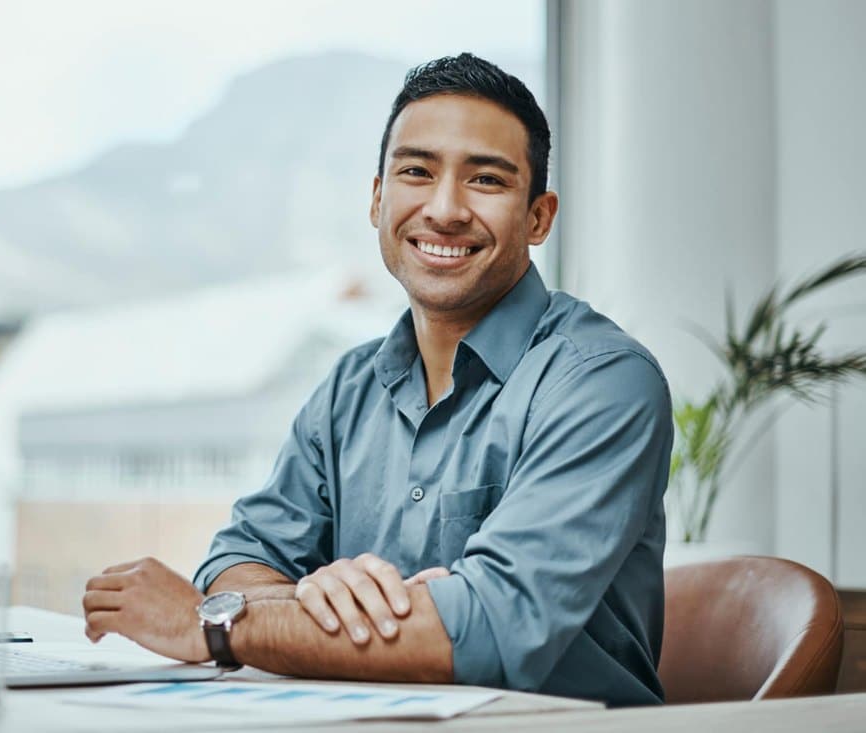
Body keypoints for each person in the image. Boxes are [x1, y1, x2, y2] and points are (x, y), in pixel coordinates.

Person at [81, 53, 672, 707]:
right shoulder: (349, 386)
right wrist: (308, 596)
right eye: (416, 171)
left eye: (486, 180)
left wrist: (212, 623)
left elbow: (489, 627)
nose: (445, 209)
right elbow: (242, 557)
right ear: (377, 198)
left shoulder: (602, 382)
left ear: (538, 216)